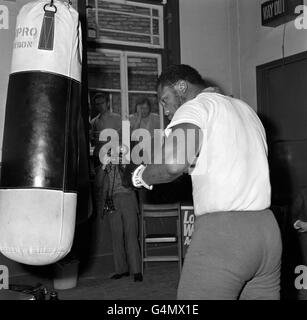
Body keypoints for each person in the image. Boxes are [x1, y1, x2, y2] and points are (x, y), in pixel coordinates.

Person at [126, 64, 282, 299]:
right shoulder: (246, 110)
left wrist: (140, 176)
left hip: (225, 235)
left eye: (165, 99)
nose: (165, 109)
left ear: (181, 87)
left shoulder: (195, 106)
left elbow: (173, 164)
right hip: (268, 233)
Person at [102, 151, 143, 282]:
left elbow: (133, 182)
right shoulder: (106, 165)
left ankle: (136, 271)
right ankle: (121, 270)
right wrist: (103, 168)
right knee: (116, 237)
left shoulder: (128, 161)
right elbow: (100, 185)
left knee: (131, 235)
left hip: (128, 198)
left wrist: (122, 164)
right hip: (112, 201)